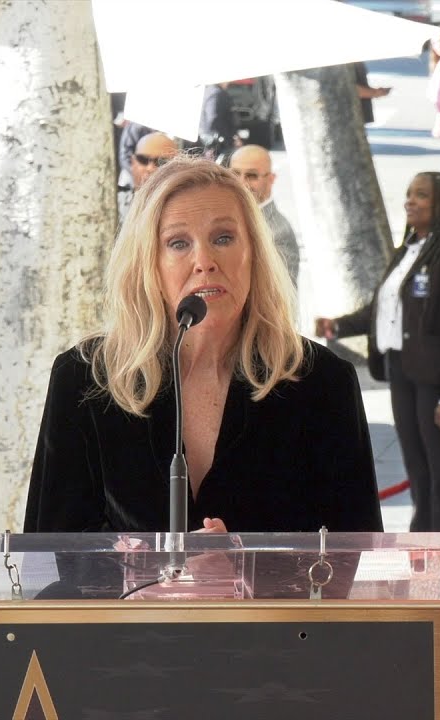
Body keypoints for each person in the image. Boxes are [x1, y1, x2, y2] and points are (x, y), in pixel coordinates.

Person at [24, 157, 381, 534]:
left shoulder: (322, 381)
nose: (204, 261)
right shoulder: (84, 378)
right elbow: (49, 555)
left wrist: (244, 571)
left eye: (223, 238)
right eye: (178, 243)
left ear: (255, 252)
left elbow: (354, 557)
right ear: (148, 263)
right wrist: (154, 577)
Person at [316, 172, 440, 558]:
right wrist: (339, 325)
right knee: (420, 475)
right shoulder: (409, 247)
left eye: (421, 195)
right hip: (402, 374)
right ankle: (423, 554)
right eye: (408, 194)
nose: (410, 201)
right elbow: (384, 308)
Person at [228, 144, 299, 286]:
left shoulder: (278, 232)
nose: (242, 183)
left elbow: (278, 296)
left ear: (271, 179)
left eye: (251, 175)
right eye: (235, 173)